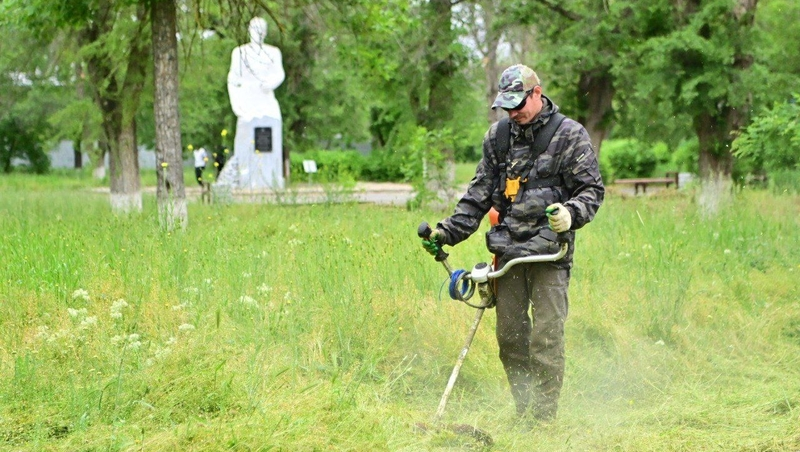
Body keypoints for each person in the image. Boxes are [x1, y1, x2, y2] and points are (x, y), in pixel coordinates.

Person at [421, 64, 604, 422]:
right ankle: (524, 412)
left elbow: (592, 190)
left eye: (518, 104)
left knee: (546, 340)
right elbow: (478, 195)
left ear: (537, 93)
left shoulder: (569, 135)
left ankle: (544, 419)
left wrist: (571, 213)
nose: (513, 113)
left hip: (551, 251)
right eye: (506, 107)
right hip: (507, 254)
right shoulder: (498, 137)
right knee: (510, 339)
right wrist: (447, 232)